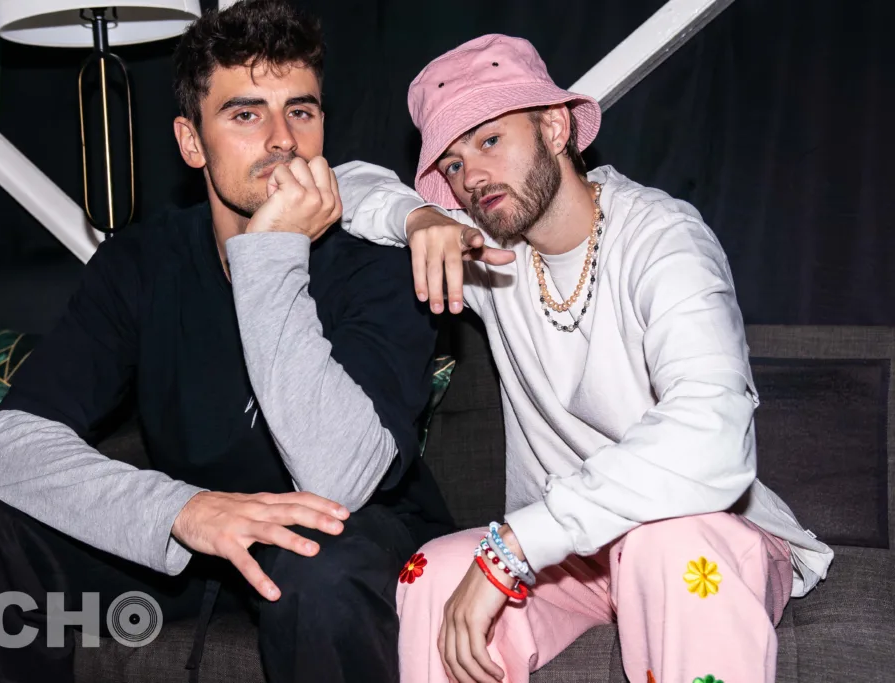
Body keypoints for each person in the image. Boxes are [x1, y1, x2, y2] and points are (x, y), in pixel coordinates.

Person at [0, 2, 454, 682]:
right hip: (188, 546)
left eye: (302, 111)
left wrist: (272, 255)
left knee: (320, 567)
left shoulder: (377, 262)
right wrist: (183, 510)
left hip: (349, 540)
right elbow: (12, 446)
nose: (283, 139)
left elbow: (339, 480)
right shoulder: (143, 262)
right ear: (192, 141)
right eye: (246, 114)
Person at [333, 33, 834, 683]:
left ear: (555, 125)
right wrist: (413, 219)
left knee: (666, 544)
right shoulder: (486, 252)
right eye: (452, 164)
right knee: (432, 573)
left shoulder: (663, 239)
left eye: (489, 140)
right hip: (570, 559)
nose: (473, 176)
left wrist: (515, 544)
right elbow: (341, 186)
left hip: (696, 537)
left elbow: (711, 435)